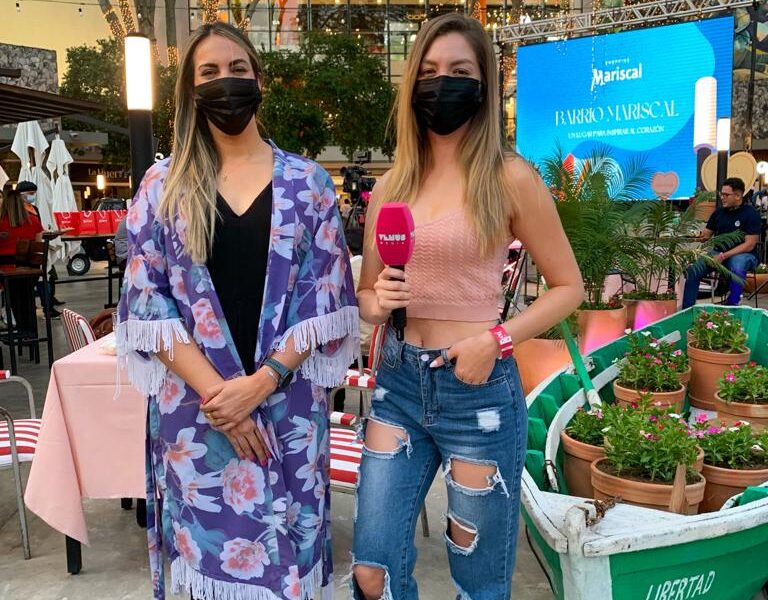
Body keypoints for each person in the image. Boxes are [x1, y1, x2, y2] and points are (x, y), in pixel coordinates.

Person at [116, 22, 359, 600]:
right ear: (190, 90)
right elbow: (148, 302)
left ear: (259, 81)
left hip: (287, 408)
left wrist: (261, 383)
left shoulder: (309, 184)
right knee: (211, 567)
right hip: (198, 417)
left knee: (290, 556)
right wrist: (222, 399)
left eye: (237, 69)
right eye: (209, 72)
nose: (225, 81)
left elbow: (324, 297)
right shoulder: (163, 186)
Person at [352, 14, 583, 600]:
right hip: (398, 383)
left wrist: (497, 341)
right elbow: (368, 296)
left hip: (477, 391)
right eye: (429, 71)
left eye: (459, 71)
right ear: (412, 84)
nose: (442, 83)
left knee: (477, 583)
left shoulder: (508, 177)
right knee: (372, 572)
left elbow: (568, 287)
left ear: (483, 85)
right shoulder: (392, 186)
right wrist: (376, 302)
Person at [682, 177, 761, 309]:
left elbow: (749, 245)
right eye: (721, 194)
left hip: (745, 254)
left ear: (738, 195)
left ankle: (732, 306)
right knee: (694, 269)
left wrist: (724, 256)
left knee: (738, 263)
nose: (722, 198)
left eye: (726, 195)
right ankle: (687, 309)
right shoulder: (718, 213)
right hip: (718, 253)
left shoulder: (751, 213)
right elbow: (706, 235)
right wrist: (692, 234)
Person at [0, 185, 43, 334]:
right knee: (26, 296)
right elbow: (38, 243)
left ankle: (19, 329)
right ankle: (29, 331)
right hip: (30, 270)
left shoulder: (1, 222)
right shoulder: (34, 220)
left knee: (14, 295)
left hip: (6, 271)